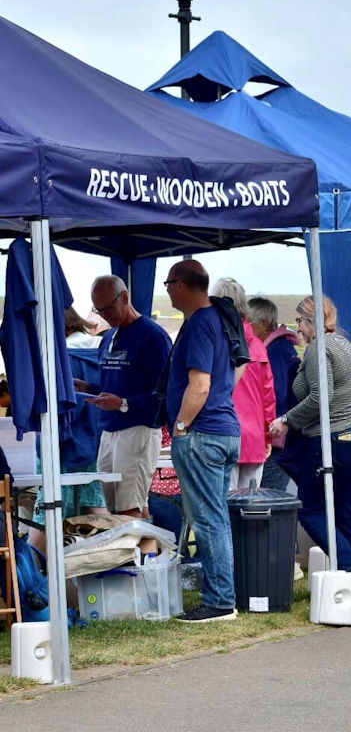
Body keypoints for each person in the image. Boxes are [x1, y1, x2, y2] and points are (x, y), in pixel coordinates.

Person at [269, 296, 351, 611]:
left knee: (312, 509)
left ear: (309, 320)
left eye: (299, 321)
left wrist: (286, 420)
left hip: (335, 439)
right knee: (349, 514)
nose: (297, 328)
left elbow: (320, 398)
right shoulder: (344, 344)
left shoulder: (318, 349)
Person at [165, 260, 246, 623]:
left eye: (168, 283)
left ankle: (219, 601)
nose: (166, 289)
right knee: (218, 519)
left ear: (182, 285)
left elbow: (200, 385)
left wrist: (181, 426)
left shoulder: (199, 322)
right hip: (224, 431)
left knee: (209, 520)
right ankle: (224, 594)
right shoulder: (219, 317)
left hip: (203, 433)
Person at [78, 276, 171, 518]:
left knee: (130, 507)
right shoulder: (108, 337)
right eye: (99, 310)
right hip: (109, 430)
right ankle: (148, 551)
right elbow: (116, 384)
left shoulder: (153, 336)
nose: (105, 315)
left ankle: (136, 555)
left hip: (138, 430)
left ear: (125, 297)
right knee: (116, 507)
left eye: (109, 308)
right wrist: (89, 387)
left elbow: (164, 391)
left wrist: (124, 404)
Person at [29, 308, 110, 552]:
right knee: (94, 505)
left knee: (49, 507)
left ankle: (28, 576)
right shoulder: (100, 348)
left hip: (61, 441)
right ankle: (113, 562)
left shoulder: (57, 356)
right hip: (94, 439)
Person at [211, 279, 277, 491]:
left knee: (223, 505)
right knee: (251, 510)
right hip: (253, 436)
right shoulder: (258, 345)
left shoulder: (213, 340)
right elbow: (268, 397)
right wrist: (267, 435)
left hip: (220, 433)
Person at [247, 296, 301, 491]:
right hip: (284, 435)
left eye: (248, 322)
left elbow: (275, 394)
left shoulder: (274, 351)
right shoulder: (284, 347)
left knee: (267, 495)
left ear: (263, 324)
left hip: (276, 438)